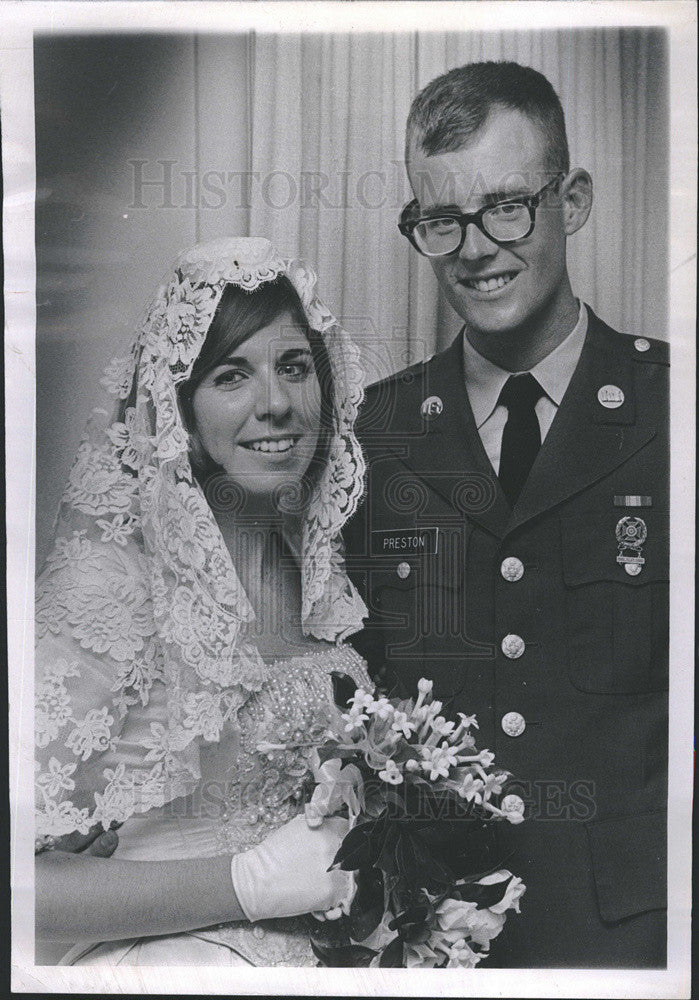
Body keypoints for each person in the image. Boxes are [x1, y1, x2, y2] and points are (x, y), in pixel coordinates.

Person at [345, 62, 668, 967]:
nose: (476, 247)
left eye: (507, 206)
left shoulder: (673, 411)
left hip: (637, 942)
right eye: (442, 219)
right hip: (427, 939)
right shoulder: (376, 434)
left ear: (572, 199)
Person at [34, 236, 373, 966]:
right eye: (231, 376)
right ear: (179, 408)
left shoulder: (315, 569)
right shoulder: (112, 580)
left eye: (293, 367)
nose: (277, 404)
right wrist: (248, 885)